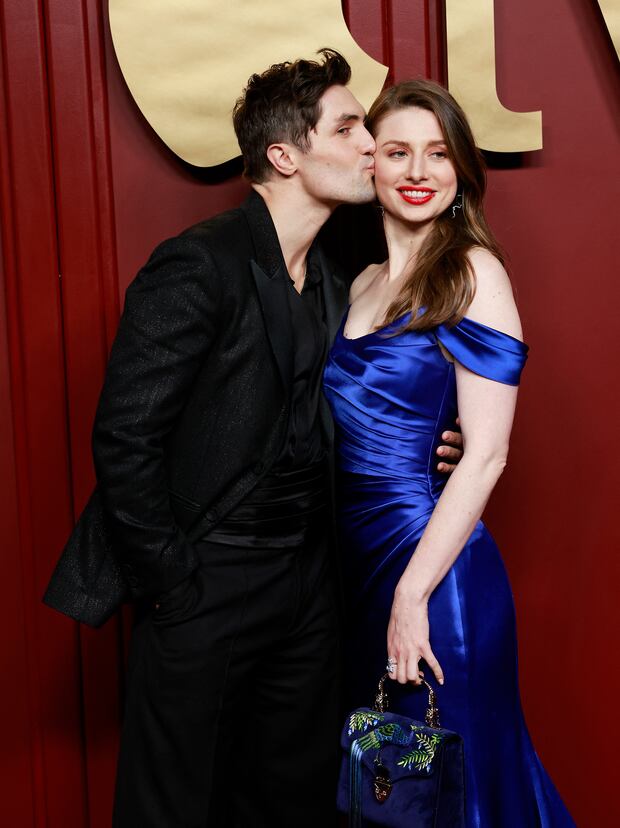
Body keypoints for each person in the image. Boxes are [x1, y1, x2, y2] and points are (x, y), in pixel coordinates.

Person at [45, 52, 463, 827]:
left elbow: (365, 398)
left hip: (309, 587)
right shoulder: (199, 265)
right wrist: (174, 582)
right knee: (172, 804)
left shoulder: (339, 279)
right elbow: (126, 438)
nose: (371, 145)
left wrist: (432, 441)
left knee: (293, 800)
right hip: (206, 577)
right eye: (349, 128)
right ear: (285, 156)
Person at [323, 79, 575, 826]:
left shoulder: (470, 271)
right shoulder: (359, 283)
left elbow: (487, 455)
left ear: (461, 169)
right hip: (360, 572)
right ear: (370, 162)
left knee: (458, 793)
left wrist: (412, 597)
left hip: (437, 578)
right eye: (398, 151)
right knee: (391, 796)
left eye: (438, 154)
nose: (417, 171)